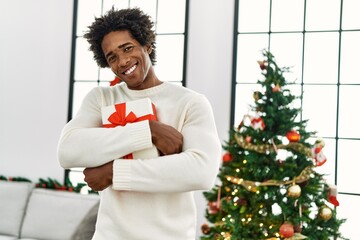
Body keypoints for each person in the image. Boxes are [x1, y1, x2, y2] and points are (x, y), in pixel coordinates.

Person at [57, 7, 221, 240]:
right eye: (112, 57)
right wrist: (147, 131)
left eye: (128, 48)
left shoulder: (190, 102)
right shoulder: (102, 98)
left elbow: (201, 171)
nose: (123, 61)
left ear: (147, 46)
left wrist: (114, 172)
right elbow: (68, 150)